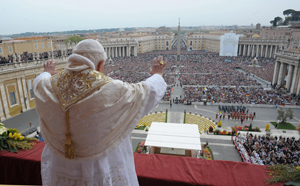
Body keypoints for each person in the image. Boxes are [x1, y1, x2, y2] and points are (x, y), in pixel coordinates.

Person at [33, 39, 167, 186]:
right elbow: (148, 91)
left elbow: (38, 82)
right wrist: (157, 74)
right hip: (101, 166)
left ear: (73, 60)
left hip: (62, 165)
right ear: (101, 64)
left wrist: (46, 72)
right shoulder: (113, 89)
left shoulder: (47, 86)